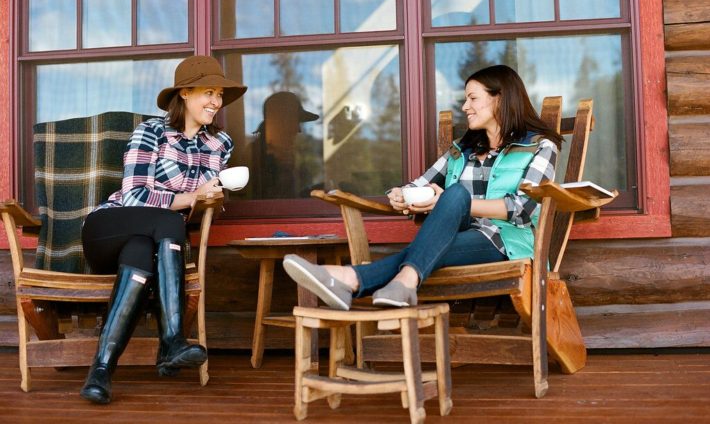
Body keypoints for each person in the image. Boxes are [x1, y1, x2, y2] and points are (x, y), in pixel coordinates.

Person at [282, 65, 563, 309]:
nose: (465, 107)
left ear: (500, 99)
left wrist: (455, 202)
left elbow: (524, 209)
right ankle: (403, 282)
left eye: (472, 98)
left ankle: (349, 279)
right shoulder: (460, 151)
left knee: (455, 197)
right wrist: (402, 196)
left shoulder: (539, 146)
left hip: (509, 243)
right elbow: (419, 184)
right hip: (456, 235)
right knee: (451, 202)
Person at [79, 55, 246, 404]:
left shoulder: (221, 144)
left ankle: (101, 372)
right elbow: (135, 194)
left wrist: (210, 197)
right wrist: (191, 197)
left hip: (151, 241)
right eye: (208, 92)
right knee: (170, 219)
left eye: (219, 94)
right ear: (185, 93)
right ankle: (171, 340)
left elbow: (199, 204)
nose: (216, 101)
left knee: (141, 252)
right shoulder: (151, 132)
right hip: (107, 228)